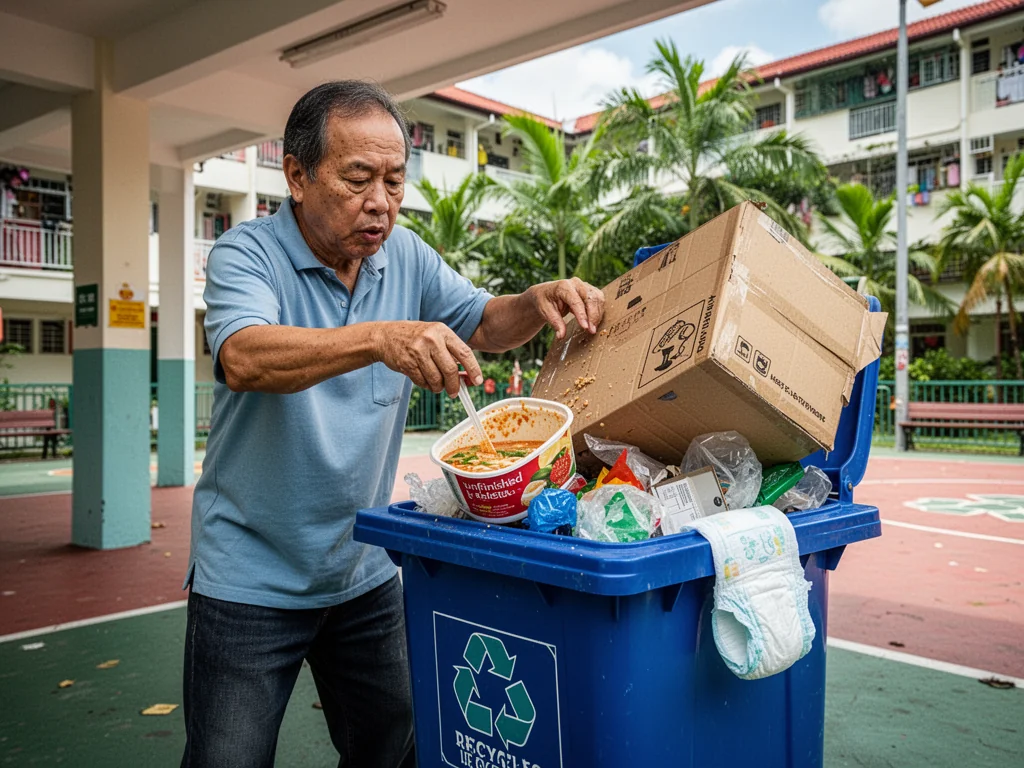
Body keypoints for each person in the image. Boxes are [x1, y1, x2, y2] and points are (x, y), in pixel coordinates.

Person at [180, 80, 605, 768]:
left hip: (364, 569)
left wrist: (536, 299)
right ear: (295, 174)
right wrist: (380, 339)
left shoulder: (403, 255)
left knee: (395, 748)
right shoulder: (246, 254)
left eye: (394, 180)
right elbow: (243, 356)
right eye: (357, 178)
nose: (380, 202)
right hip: (249, 576)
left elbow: (486, 323)